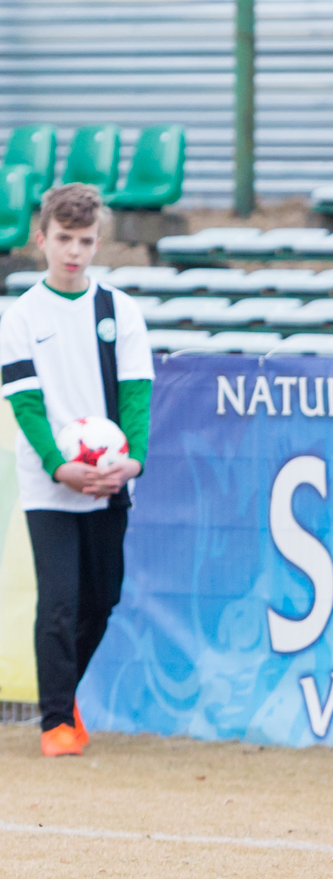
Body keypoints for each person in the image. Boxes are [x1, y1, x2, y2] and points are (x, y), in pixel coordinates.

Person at [0, 183, 151, 758]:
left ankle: (66, 693)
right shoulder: (20, 317)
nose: (74, 251)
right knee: (59, 603)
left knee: (102, 599)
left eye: (85, 241)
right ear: (42, 238)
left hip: (110, 480)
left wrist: (131, 459)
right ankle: (56, 721)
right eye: (64, 239)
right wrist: (61, 468)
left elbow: (137, 394)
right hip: (51, 486)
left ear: (96, 243)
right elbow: (27, 405)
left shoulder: (119, 310)